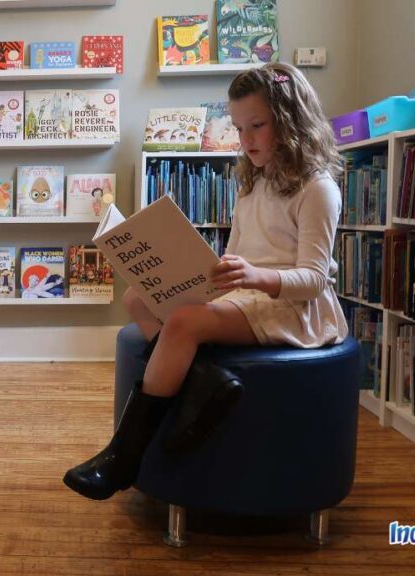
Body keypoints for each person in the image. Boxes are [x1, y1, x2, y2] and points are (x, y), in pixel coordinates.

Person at [64, 62, 349, 501]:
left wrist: (256, 276)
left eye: (257, 125)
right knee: (140, 298)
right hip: (246, 294)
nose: (246, 139)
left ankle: (123, 457)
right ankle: (204, 379)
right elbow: (235, 254)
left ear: (291, 122)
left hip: (292, 308)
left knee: (182, 324)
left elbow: (313, 278)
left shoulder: (317, 188)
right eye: (238, 128)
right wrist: (189, 269)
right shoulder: (253, 183)